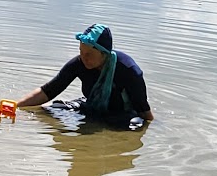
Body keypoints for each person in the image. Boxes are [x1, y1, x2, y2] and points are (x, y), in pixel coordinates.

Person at [14, 22, 151, 127]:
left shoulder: (129, 71)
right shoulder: (79, 63)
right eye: (81, 52)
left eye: (89, 54)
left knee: (133, 125)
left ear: (104, 54)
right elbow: (48, 91)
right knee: (50, 109)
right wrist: (16, 107)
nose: (83, 58)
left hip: (121, 115)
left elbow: (145, 113)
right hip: (91, 107)